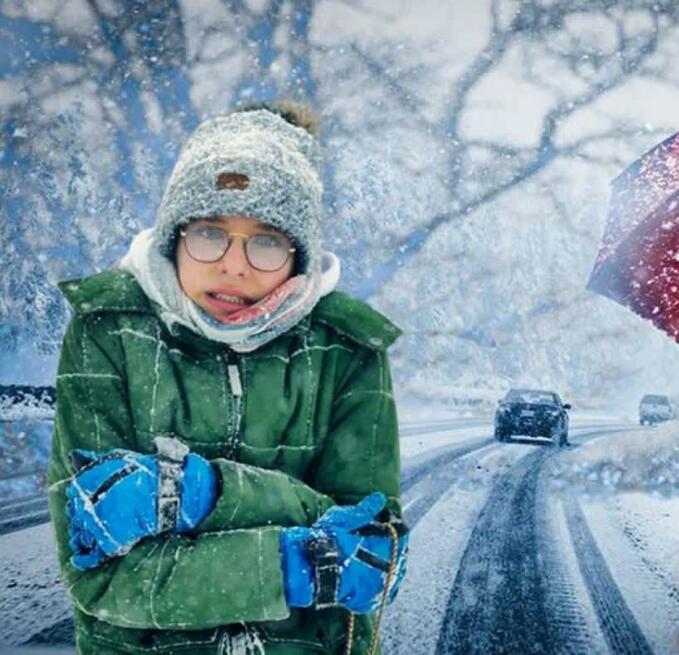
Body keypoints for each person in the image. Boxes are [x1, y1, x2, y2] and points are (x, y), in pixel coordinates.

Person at [47, 100, 408, 654]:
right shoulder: (110, 330)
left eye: (265, 240)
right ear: (176, 235)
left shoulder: (347, 350)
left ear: (297, 256)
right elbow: (102, 578)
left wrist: (200, 494)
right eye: (210, 232)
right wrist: (299, 562)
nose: (233, 264)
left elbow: (369, 559)